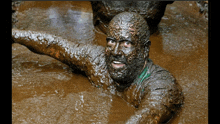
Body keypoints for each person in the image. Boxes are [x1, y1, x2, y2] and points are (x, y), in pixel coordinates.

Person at [12, 12, 183, 124]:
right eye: (111, 42)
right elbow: (55, 46)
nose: (115, 51)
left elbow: (149, 115)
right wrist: (14, 35)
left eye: (126, 43)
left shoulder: (162, 85)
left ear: (145, 49)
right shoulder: (98, 60)